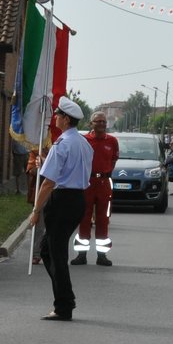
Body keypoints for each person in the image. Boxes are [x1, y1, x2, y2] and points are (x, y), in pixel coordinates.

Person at [30, 97, 92, 320]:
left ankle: (64, 305)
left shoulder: (62, 143)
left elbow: (48, 182)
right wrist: (46, 161)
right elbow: (69, 169)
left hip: (63, 200)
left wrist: (36, 211)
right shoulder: (83, 143)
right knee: (48, 249)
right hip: (77, 199)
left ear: (65, 119)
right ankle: (65, 297)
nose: (55, 118)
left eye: (58, 115)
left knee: (56, 254)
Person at [73, 111, 120, 266]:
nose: (101, 124)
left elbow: (113, 161)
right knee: (84, 218)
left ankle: (102, 256)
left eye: (103, 122)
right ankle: (81, 255)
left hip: (104, 184)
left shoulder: (112, 141)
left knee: (103, 220)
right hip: (87, 183)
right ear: (90, 124)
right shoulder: (84, 140)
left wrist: (104, 174)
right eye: (97, 121)